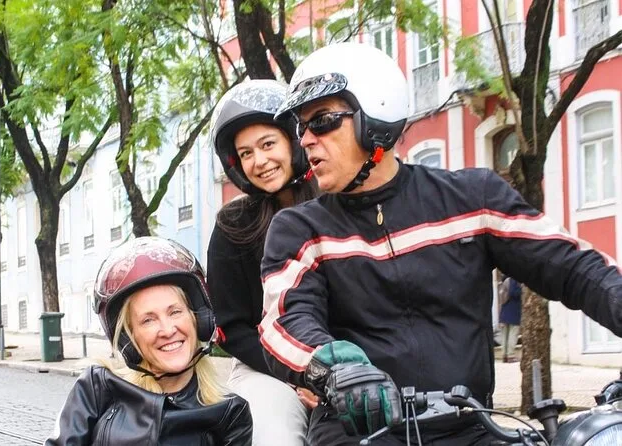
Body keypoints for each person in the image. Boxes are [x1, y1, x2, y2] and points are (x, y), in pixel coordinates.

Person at [258, 42, 622, 446]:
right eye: (301, 127)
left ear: (374, 117)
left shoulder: (472, 197)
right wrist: (335, 367)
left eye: (322, 121)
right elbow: (283, 323)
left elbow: (572, 267)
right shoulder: (300, 228)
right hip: (359, 430)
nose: (306, 139)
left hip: (472, 426)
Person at [45, 237, 252, 446]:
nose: (168, 330)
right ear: (128, 336)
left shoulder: (230, 412)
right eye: (148, 320)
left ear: (197, 318)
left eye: (175, 312)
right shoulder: (98, 387)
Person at [207, 79, 319, 445]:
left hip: (345, 361)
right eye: (246, 153)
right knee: (275, 435)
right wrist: (298, 376)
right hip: (266, 367)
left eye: (268, 144)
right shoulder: (233, 225)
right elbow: (232, 326)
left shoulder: (336, 207)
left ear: (293, 141)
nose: (259, 161)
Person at [499, 276, 522, 363]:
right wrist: (522, 291)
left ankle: (504, 355)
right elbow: (513, 292)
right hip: (513, 311)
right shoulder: (514, 279)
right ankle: (510, 355)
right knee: (513, 333)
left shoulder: (505, 280)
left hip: (505, 311)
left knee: (505, 335)